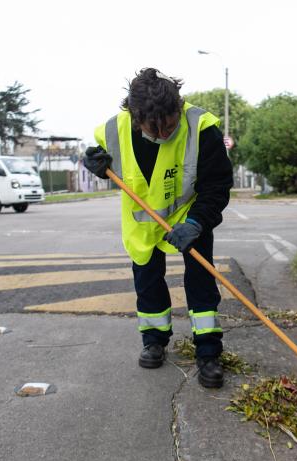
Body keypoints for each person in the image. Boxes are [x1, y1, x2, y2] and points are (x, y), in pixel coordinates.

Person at [83, 68, 233, 388]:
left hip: (192, 217)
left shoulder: (201, 127)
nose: (164, 133)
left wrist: (196, 223)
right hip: (142, 224)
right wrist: (95, 163)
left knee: (201, 280)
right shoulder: (115, 129)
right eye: (155, 128)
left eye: (170, 125)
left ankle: (208, 352)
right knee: (147, 282)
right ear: (136, 118)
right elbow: (103, 160)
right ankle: (154, 341)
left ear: (178, 108)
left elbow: (217, 184)